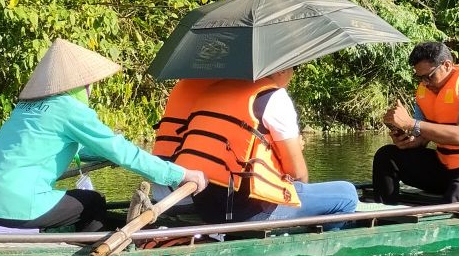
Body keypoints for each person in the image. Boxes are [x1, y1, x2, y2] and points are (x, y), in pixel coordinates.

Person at [0, 38, 207, 231]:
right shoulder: (70, 109)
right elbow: (123, 152)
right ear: (83, 85)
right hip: (14, 208)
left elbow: (63, 147)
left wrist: (101, 153)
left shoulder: (25, 108)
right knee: (93, 202)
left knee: (79, 201)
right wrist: (180, 174)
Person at [153, 67, 359, 230]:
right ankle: (321, 254)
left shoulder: (213, 90)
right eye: (294, 67)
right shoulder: (274, 97)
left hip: (207, 207)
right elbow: (298, 175)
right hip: (250, 211)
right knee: (348, 194)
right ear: (281, 69)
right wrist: (295, 151)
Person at [373, 41, 459, 204]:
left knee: (457, 193)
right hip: (446, 166)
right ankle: (384, 218)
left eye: (429, 76)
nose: (425, 83)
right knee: (386, 156)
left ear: (447, 65)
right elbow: (422, 138)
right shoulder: (425, 93)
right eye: (420, 78)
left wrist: (411, 124)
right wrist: (409, 142)